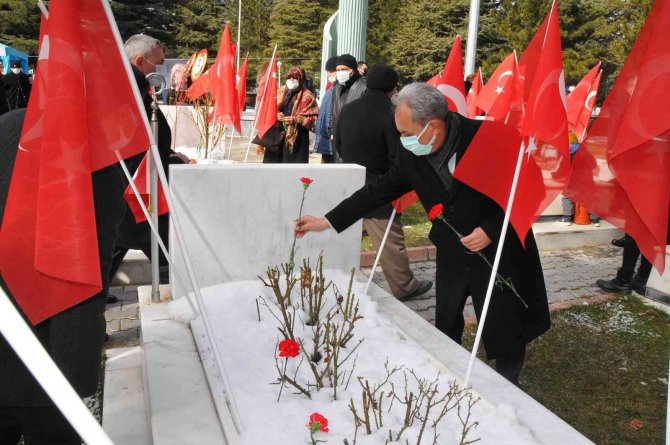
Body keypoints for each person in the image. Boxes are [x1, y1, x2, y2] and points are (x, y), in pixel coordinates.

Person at [296, 83, 550, 385]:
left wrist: (491, 230)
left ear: (433, 126)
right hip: (453, 255)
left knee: (504, 328)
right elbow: (376, 191)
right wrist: (326, 221)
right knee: (445, 324)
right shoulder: (413, 155)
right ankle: (448, 381)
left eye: (406, 133)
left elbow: (525, 190)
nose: (402, 141)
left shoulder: (488, 140)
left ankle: (509, 387)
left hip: (497, 254)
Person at [0, 109, 126, 444]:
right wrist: (78, 377)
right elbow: (88, 280)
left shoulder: (7, 125)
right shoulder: (94, 159)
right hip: (48, 362)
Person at [335, 64, 432, 301]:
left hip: (350, 180)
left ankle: (332, 274)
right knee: (390, 241)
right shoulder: (392, 114)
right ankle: (404, 286)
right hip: (379, 186)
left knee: (342, 235)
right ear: (393, 88)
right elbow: (396, 156)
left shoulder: (348, 109)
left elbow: (337, 142)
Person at [109, 34, 189, 286]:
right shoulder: (124, 93)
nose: (160, 69)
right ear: (140, 61)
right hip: (138, 185)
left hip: (138, 184)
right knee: (160, 245)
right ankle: (172, 291)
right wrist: (171, 160)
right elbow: (134, 145)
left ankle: (98, 297)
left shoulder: (134, 88)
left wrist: (170, 154)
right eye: (158, 63)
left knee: (119, 240)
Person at [275, 66, 319, 163]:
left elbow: (315, 118)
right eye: (289, 77)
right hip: (279, 137)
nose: (291, 80)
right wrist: (276, 115)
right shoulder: (281, 92)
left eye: (295, 78)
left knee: (296, 168)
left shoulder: (308, 96)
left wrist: (297, 119)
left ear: (301, 79)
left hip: (299, 138)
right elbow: (270, 110)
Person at [329, 54, 367, 162]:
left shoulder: (364, 87)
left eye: (344, 69)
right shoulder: (337, 88)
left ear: (353, 69)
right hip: (338, 141)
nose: (341, 72)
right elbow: (333, 112)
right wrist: (332, 132)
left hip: (357, 143)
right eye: (338, 70)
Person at [558, 131, 600, 226]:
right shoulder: (585, 150)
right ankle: (595, 220)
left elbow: (562, 169)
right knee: (590, 198)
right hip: (587, 180)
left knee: (567, 197)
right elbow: (593, 165)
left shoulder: (566, 153)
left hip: (573, 181)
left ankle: (567, 219)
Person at [313, 56, 338, 163]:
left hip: (333, 139)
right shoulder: (331, 89)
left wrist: (332, 131)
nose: (328, 74)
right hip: (326, 140)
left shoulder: (339, 90)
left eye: (331, 71)